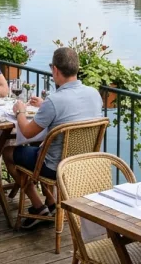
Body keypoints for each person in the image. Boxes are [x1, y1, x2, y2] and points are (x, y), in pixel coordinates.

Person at [8, 47, 103, 227]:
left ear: (55, 70)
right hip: (83, 162)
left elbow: (27, 132)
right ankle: (51, 202)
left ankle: (38, 205)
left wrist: (20, 111)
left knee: (8, 152)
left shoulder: (55, 100)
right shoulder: (94, 94)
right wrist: (45, 106)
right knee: (42, 149)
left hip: (55, 167)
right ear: (77, 68)